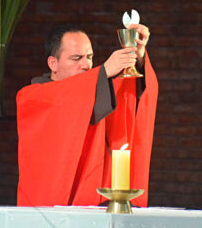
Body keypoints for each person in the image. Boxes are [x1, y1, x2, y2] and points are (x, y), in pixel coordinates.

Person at [16, 24, 158, 207]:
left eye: (89, 57)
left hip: (99, 200)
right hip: (51, 206)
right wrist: (104, 71)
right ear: (53, 63)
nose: (86, 65)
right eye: (76, 58)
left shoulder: (98, 89)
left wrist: (137, 58)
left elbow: (129, 99)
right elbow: (64, 101)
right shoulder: (32, 97)